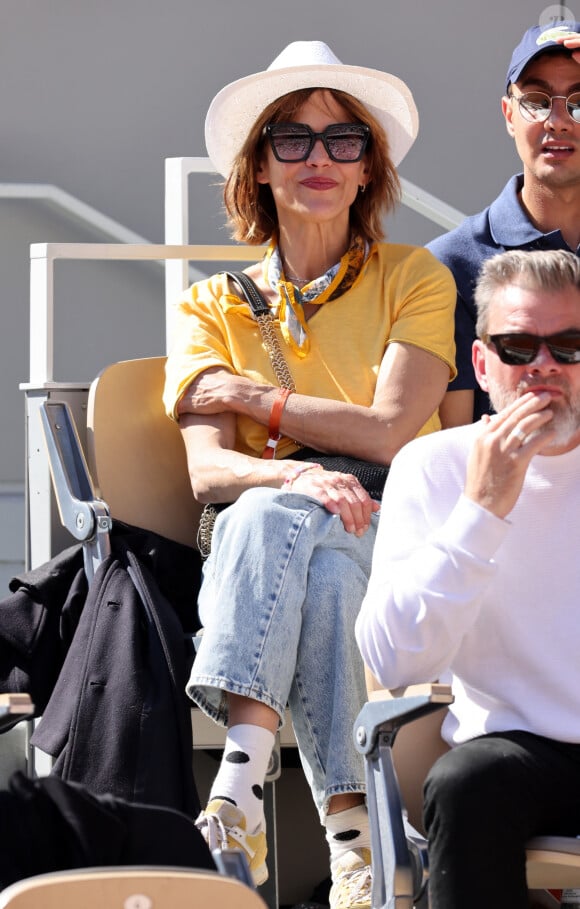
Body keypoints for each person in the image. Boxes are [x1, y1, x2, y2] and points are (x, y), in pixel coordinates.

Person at [162, 39, 456, 909]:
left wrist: (261, 400)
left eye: (342, 141)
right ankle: (360, 850)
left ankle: (237, 794)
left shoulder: (415, 275)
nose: (318, 159)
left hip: (392, 525)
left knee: (312, 539)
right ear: (259, 168)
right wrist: (294, 480)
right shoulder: (210, 301)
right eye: (291, 139)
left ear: (370, 169)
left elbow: (397, 431)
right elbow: (207, 469)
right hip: (271, 541)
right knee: (307, 557)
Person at [356, 248, 580, 909]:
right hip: (514, 748)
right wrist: (482, 510)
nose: (544, 366)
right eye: (518, 345)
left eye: (568, 344)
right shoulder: (434, 466)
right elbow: (392, 658)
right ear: (483, 365)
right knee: (466, 782)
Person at [427, 20, 580, 428]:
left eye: (579, 101)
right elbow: (456, 445)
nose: (558, 121)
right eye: (537, 100)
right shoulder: (448, 264)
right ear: (509, 114)